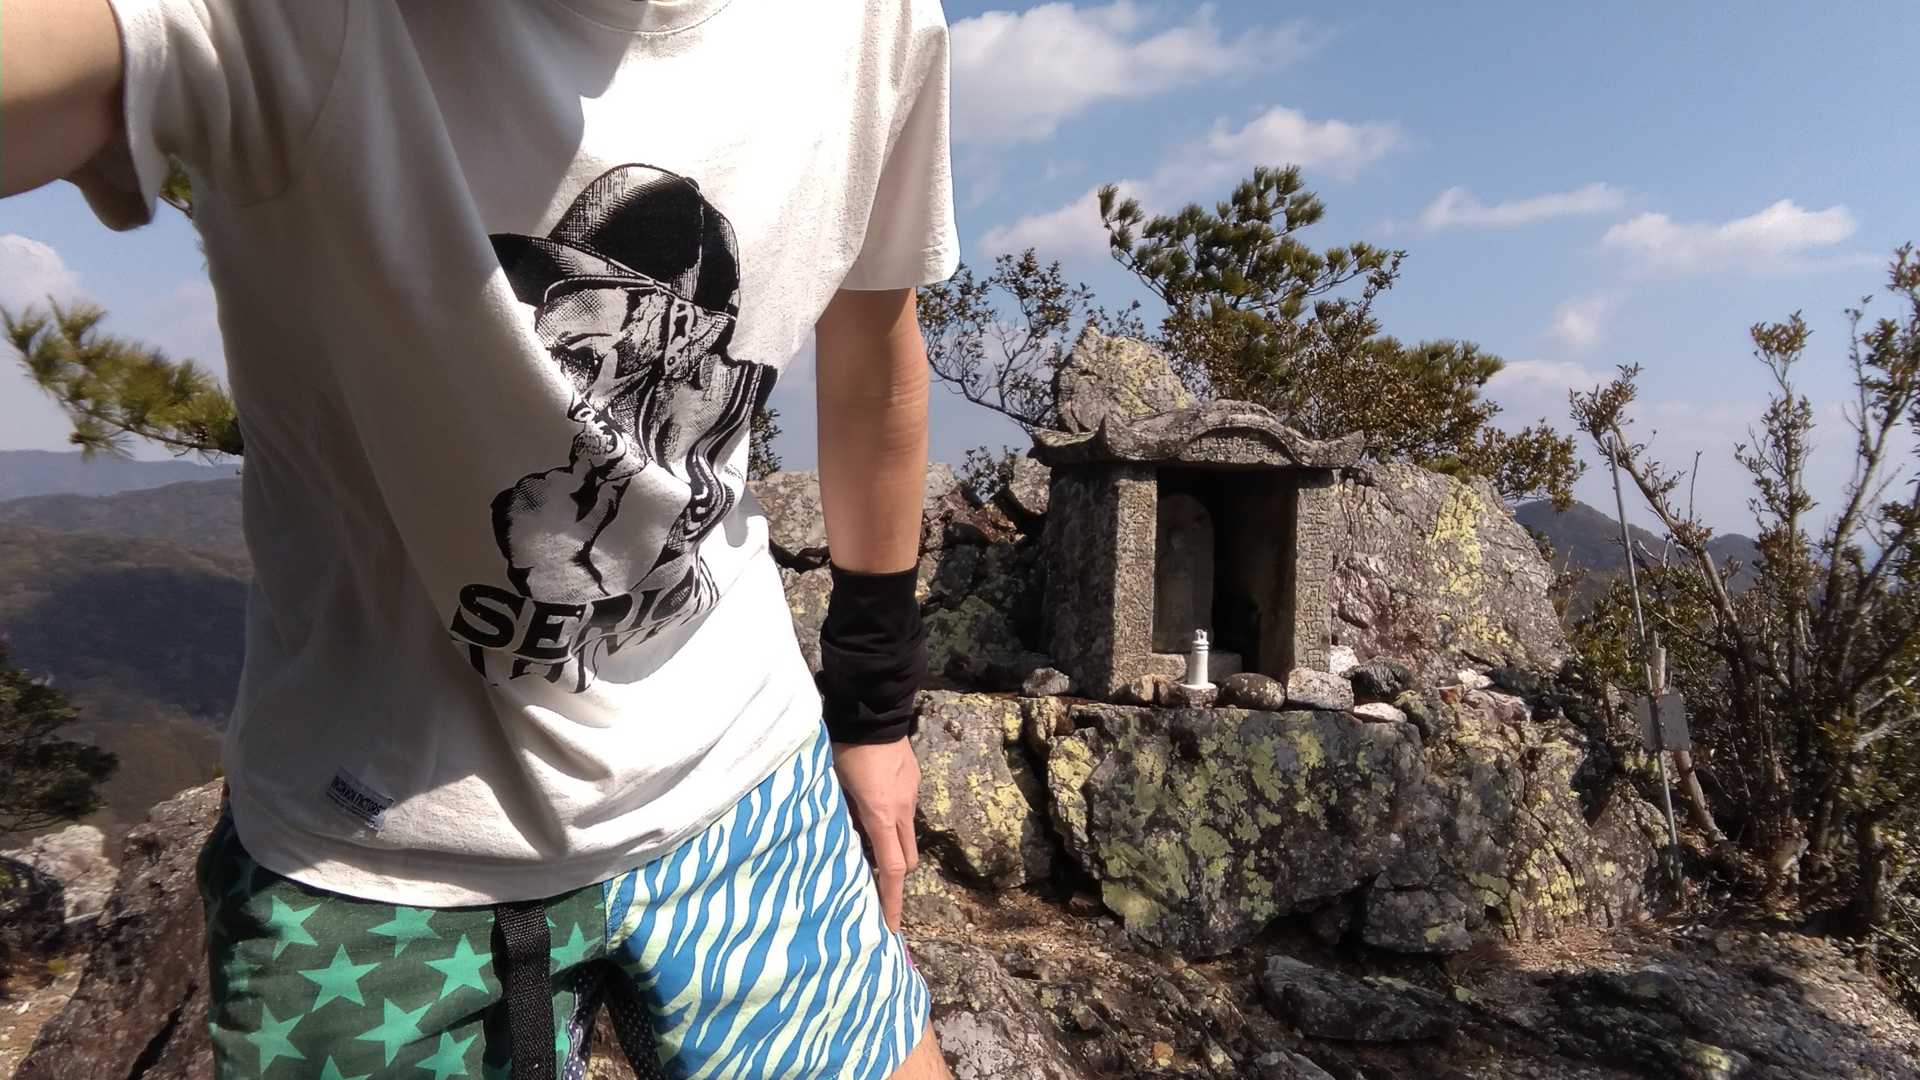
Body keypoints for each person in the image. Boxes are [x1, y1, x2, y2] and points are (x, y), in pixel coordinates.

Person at [0, 0, 959, 1077]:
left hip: (750, 786)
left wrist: (874, 713)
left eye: (628, 344)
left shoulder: (866, 23)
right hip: (376, 866)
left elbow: (875, 365)